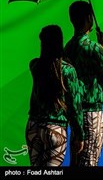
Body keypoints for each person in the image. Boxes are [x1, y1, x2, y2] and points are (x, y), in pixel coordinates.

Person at [64, 0, 103, 166]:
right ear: (89, 18)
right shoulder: (93, 48)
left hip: (75, 114)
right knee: (90, 160)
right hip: (92, 114)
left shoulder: (68, 47)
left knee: (76, 160)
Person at [26, 25, 84, 166]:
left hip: (33, 126)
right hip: (55, 128)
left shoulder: (34, 65)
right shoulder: (68, 70)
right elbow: (75, 107)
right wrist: (79, 135)